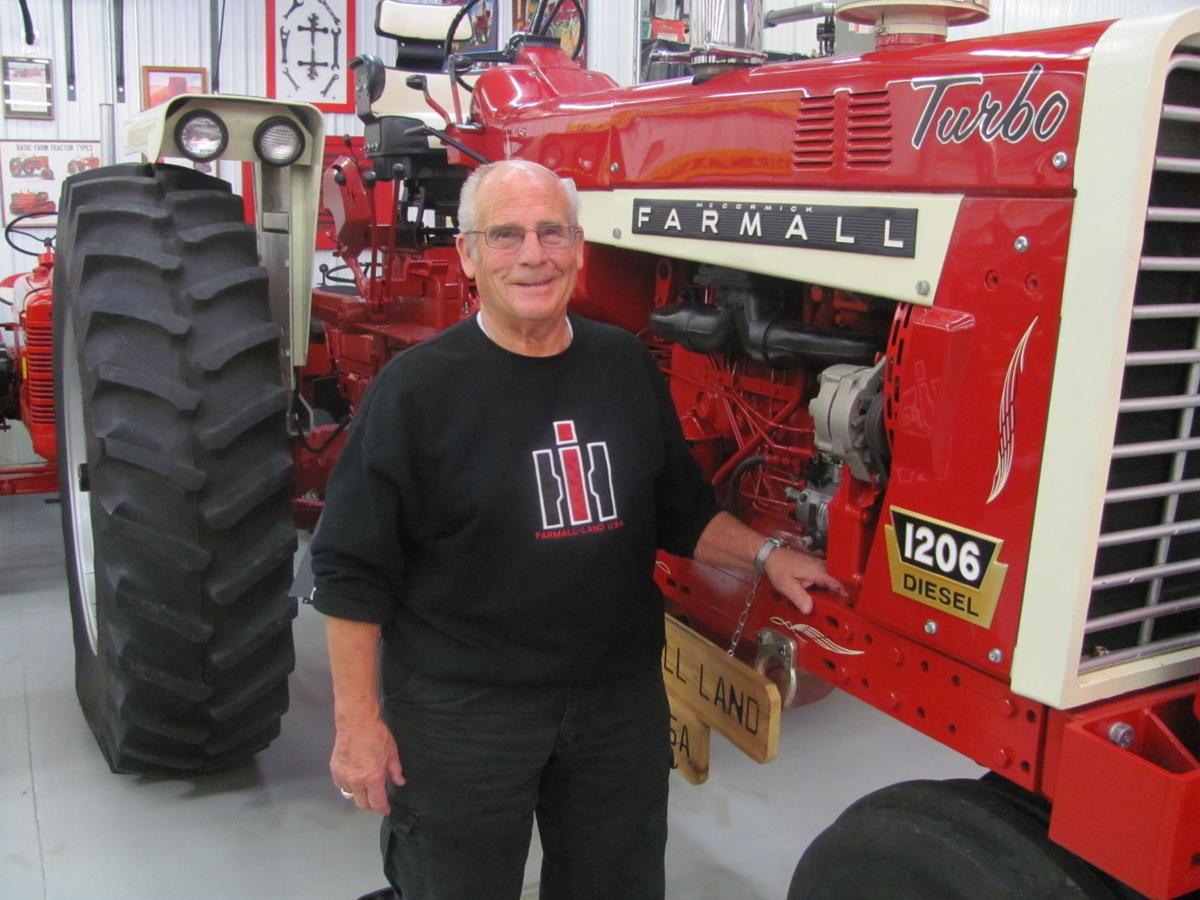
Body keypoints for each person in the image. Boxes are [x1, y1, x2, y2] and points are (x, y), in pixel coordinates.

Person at [310, 159, 842, 900]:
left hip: (615, 703)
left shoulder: (622, 364)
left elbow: (679, 509)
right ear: (467, 254)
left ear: (579, 248)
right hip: (465, 712)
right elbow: (349, 572)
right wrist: (357, 725)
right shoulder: (417, 391)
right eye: (505, 236)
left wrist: (765, 554)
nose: (533, 254)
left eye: (551, 232)